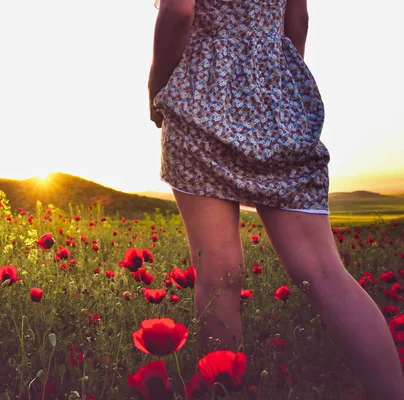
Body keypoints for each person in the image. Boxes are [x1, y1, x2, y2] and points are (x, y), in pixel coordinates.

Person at [148, 0, 404, 398]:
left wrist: (157, 86)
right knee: (324, 273)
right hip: (275, 95)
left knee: (219, 272)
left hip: (202, 93)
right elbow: (297, 18)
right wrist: (274, 84)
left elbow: (179, 12)